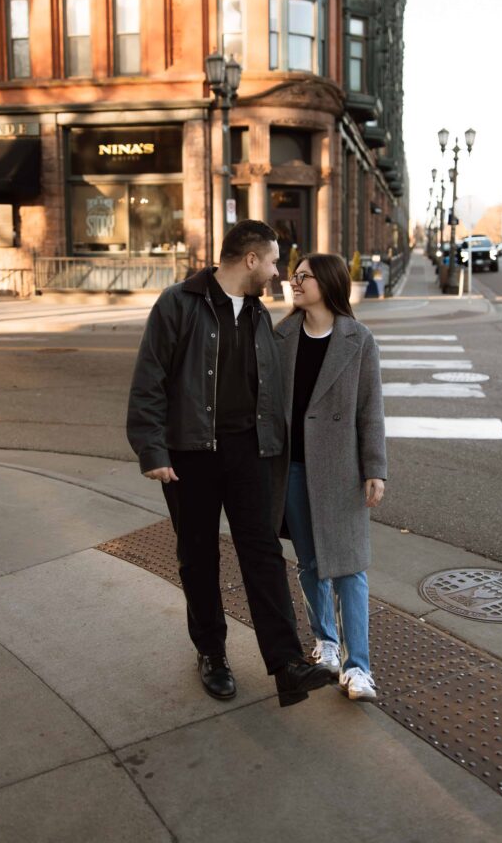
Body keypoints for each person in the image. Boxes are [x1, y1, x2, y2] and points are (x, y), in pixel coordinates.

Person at [127, 220, 333, 708]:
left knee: (262, 554)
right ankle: (212, 654)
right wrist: (152, 451)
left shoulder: (260, 317)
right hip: (189, 456)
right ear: (250, 260)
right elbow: (149, 381)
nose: (278, 270)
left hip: (248, 454)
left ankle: (286, 663)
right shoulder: (178, 304)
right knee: (198, 558)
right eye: (274, 260)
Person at [273, 252, 387, 701]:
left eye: (304, 277)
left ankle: (359, 667)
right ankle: (327, 644)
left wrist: (375, 469)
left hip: (341, 470)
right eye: (293, 276)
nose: (294, 283)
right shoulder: (281, 336)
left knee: (350, 569)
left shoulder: (358, 340)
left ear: (328, 283)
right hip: (293, 470)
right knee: (312, 564)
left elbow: (370, 410)